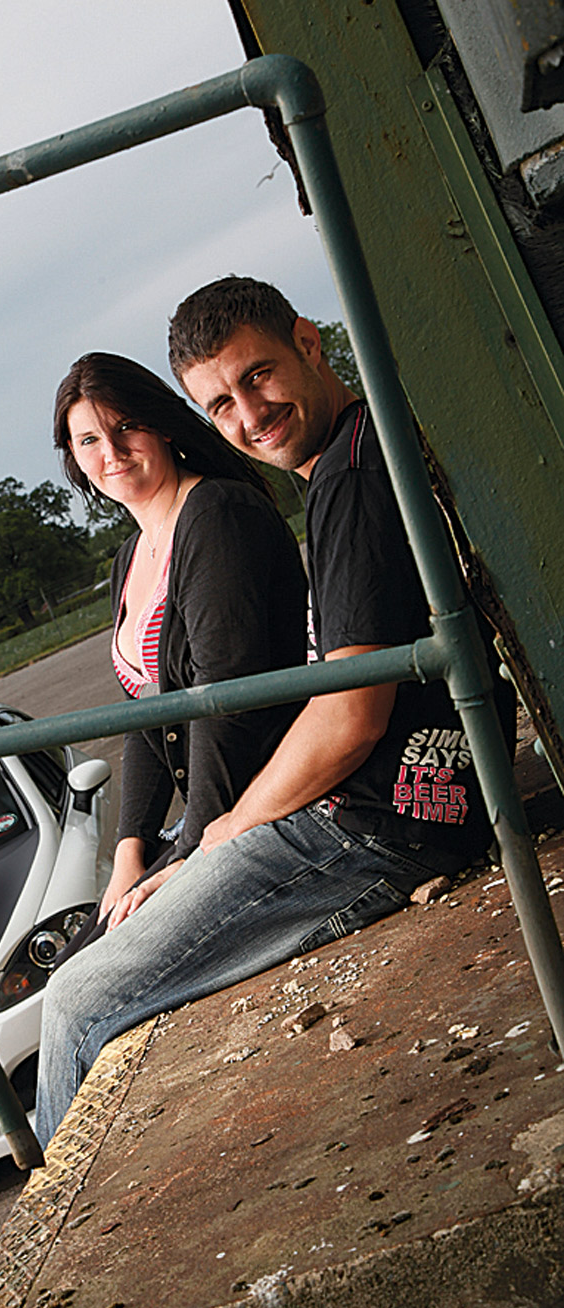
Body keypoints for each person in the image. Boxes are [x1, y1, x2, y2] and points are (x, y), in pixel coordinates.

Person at [35, 280, 513, 1147]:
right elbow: (154, 709)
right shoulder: (342, 464)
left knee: (77, 998)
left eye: (260, 375)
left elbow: (348, 719)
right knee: (97, 969)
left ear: (309, 342)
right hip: (376, 808)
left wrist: (220, 834)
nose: (250, 412)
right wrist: (140, 853)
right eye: (222, 400)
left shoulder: (348, 481)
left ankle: (70, 1230)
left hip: (377, 824)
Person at [51, 351, 307, 958]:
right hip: (212, 815)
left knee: (97, 980)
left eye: (124, 428)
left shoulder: (215, 514)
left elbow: (227, 699)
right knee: (70, 962)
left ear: (161, 424)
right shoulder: (129, 558)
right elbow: (142, 715)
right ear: (73, 457)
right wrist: (130, 854)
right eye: (88, 439)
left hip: (265, 803)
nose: (109, 453)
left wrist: (191, 851)